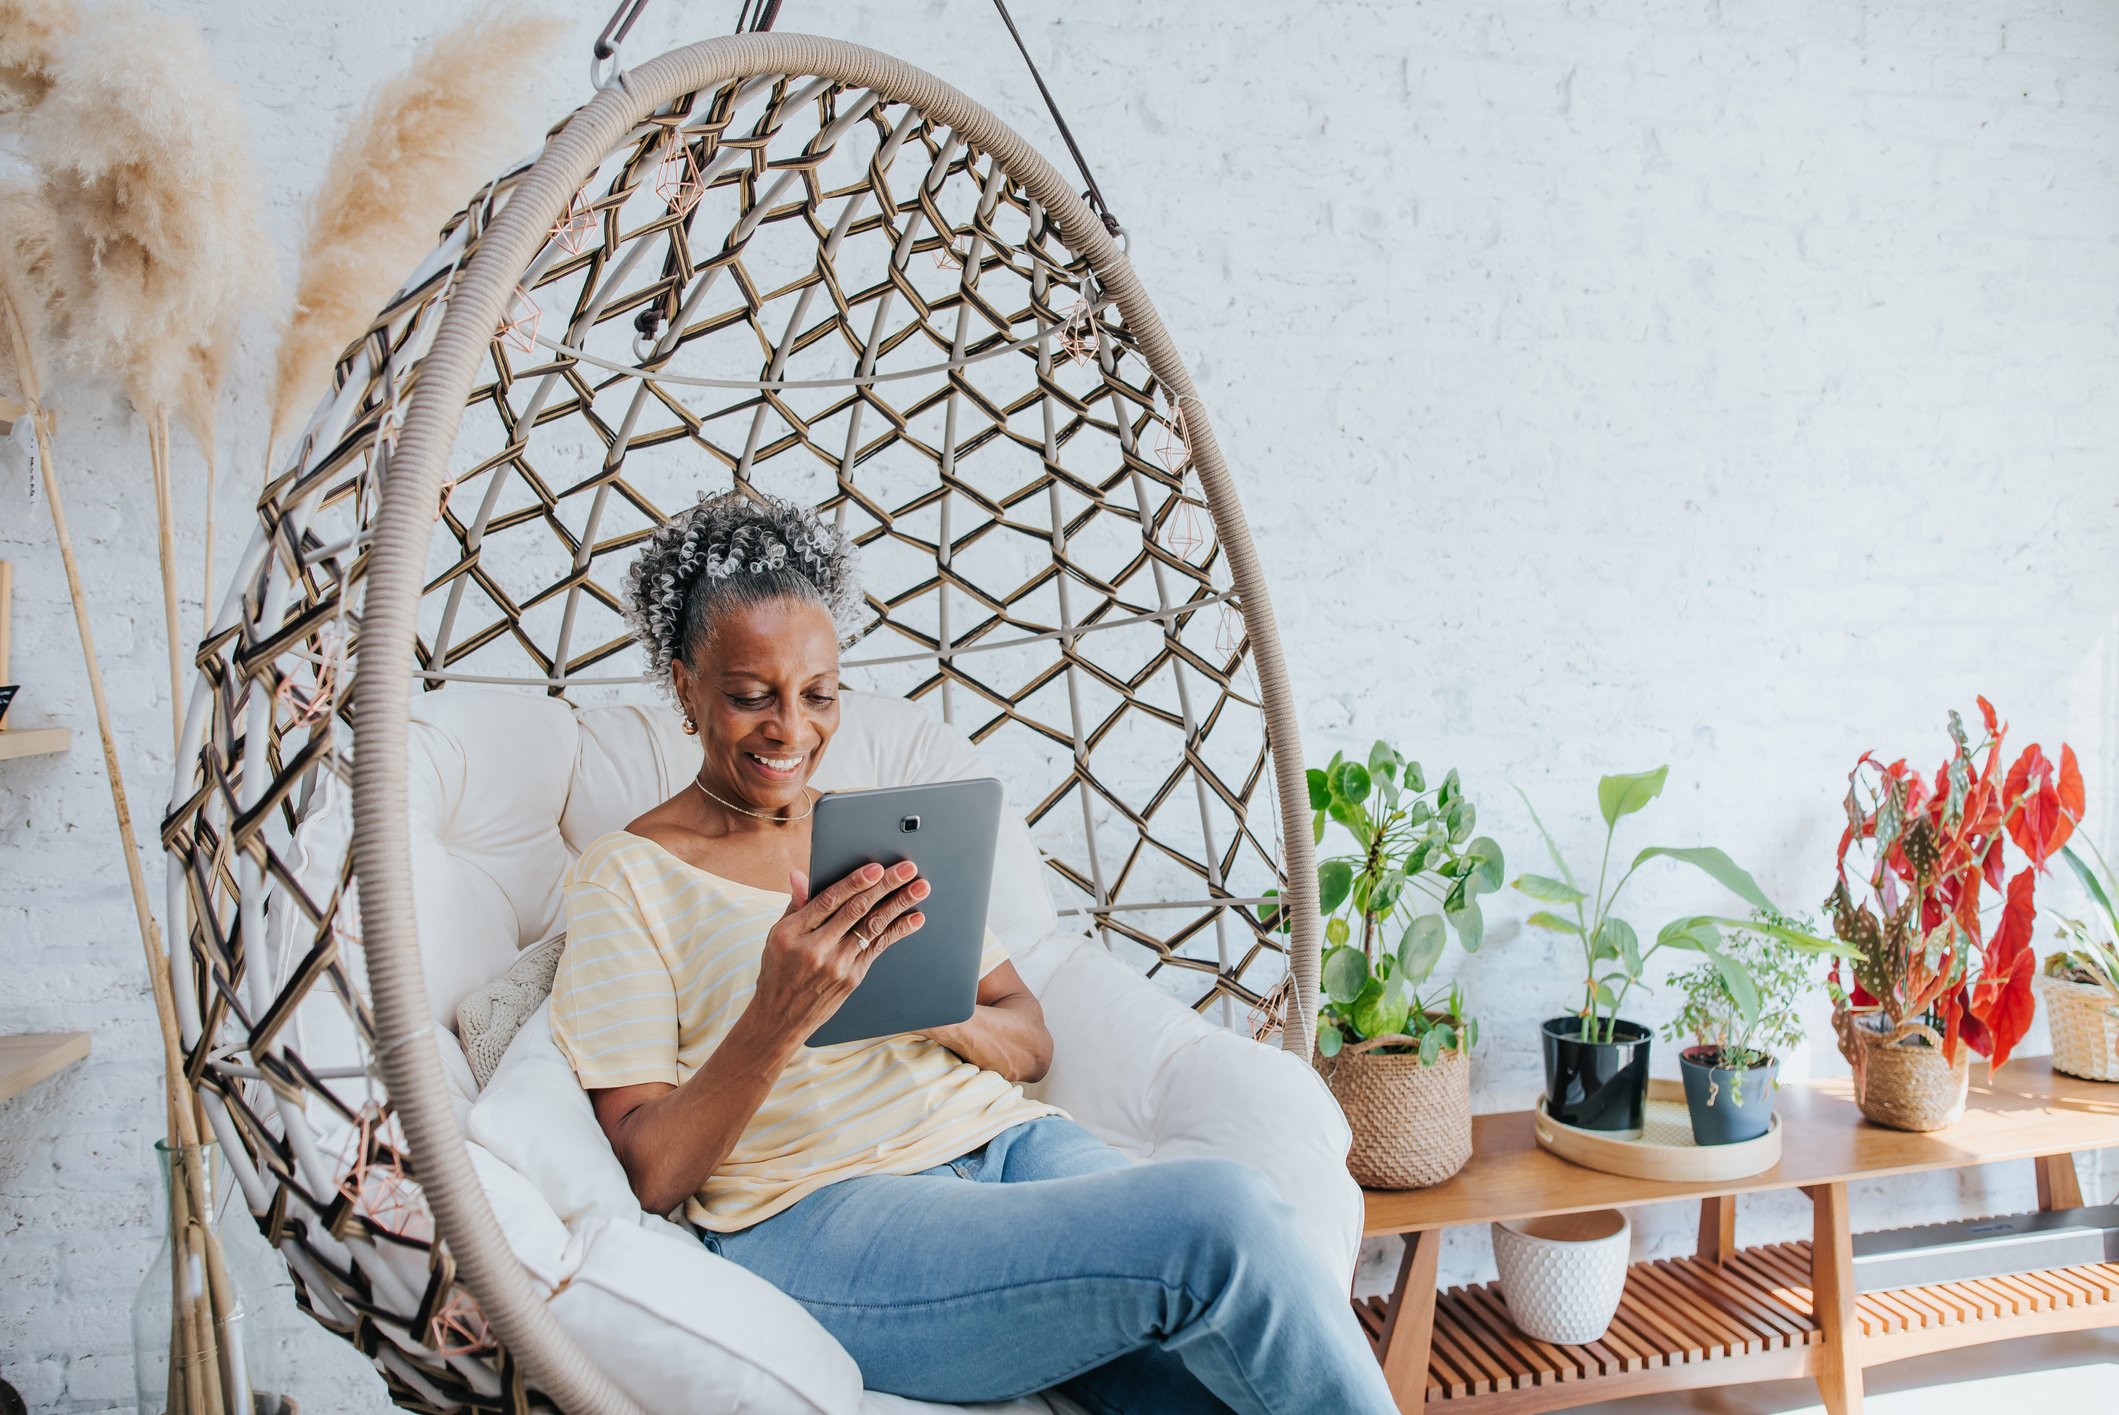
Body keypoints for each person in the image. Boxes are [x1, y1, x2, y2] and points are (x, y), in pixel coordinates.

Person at [549, 488, 1398, 1414]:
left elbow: (1028, 1039)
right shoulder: (625, 875)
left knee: (1208, 1385)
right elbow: (650, 1169)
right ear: (686, 686)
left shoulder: (874, 835)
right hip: (826, 1213)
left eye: (819, 694)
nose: (790, 729)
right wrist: (778, 1015)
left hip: (1013, 1146)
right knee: (1224, 1220)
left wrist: (922, 1000)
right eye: (752, 696)